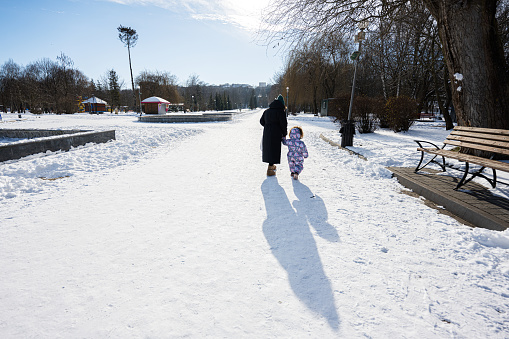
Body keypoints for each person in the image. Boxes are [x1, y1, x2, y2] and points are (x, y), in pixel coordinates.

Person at [260, 94, 288, 176]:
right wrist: (284, 134)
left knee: (268, 149)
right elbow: (283, 124)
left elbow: (261, 122)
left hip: (267, 132)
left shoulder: (267, 111)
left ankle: (270, 166)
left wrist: (268, 126)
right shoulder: (281, 112)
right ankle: (271, 169)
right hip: (276, 133)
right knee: (274, 149)